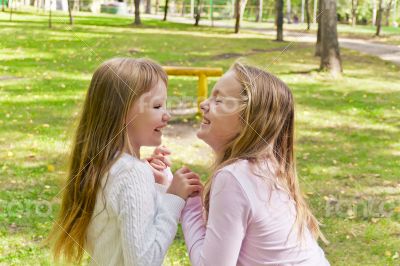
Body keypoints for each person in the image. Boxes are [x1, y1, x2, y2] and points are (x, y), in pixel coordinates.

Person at [48, 58, 202, 266]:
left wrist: (155, 187)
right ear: (122, 112)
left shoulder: (103, 164)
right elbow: (144, 261)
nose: (167, 115)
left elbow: (125, 232)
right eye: (157, 106)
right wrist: (174, 198)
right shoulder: (132, 173)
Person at [180, 62, 330, 265]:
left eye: (219, 100)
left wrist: (189, 207)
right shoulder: (268, 168)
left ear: (248, 120)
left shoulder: (234, 177)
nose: (203, 104)